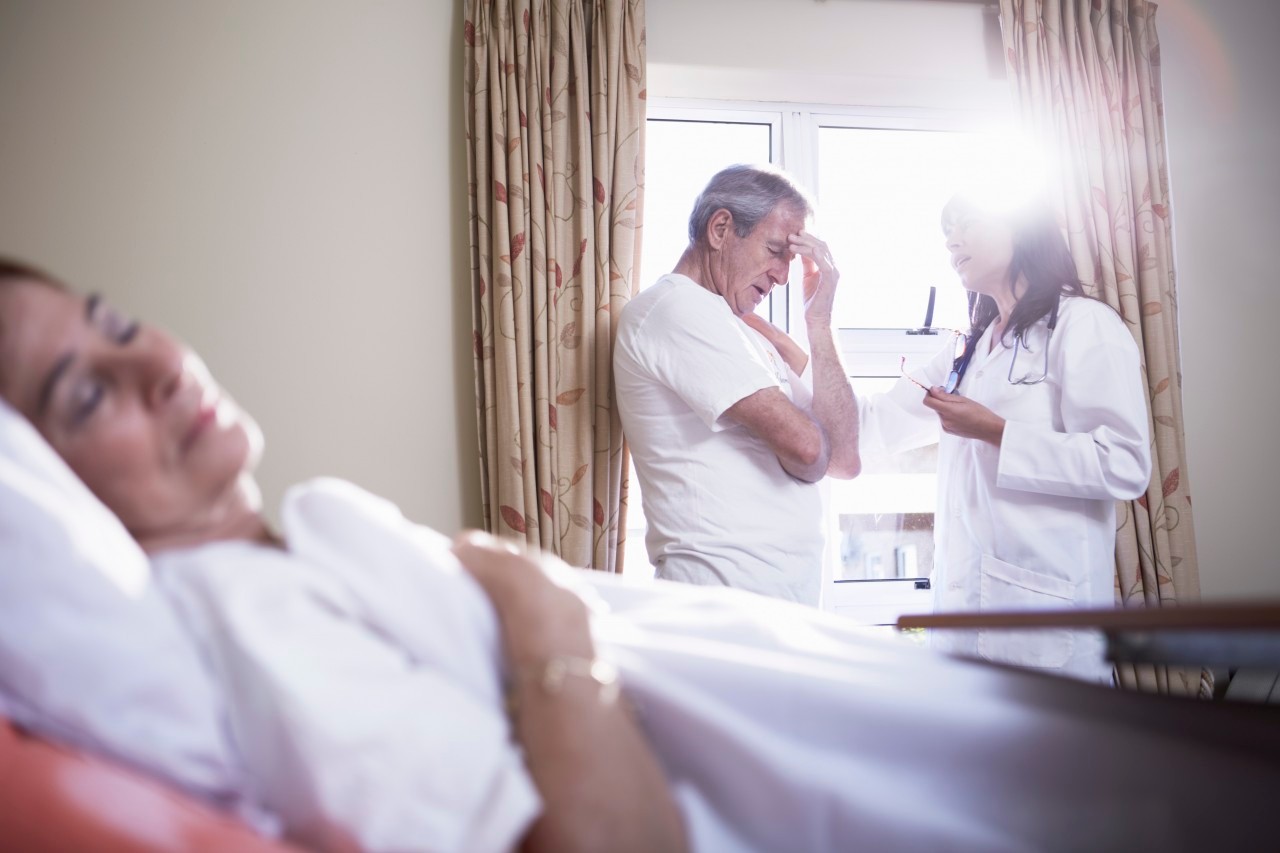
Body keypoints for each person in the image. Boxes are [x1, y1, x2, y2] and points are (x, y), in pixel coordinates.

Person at [3, 258, 1275, 853]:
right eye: (80, 393)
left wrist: (816, 329)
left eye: (119, 321)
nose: (159, 358)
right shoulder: (244, 611)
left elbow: (841, 439)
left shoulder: (301, 544)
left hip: (833, 652)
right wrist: (541, 610)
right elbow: (820, 453)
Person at [855, 192, 1150, 682]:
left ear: (1023, 228)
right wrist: (811, 336)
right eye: (947, 231)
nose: (952, 240)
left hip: (1046, 632)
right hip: (962, 622)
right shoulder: (965, 350)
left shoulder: (1082, 325)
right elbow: (875, 425)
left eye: (967, 223)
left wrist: (994, 431)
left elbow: (1123, 463)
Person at [614, 164, 859, 605]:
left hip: (774, 601)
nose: (784, 276)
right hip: (723, 600)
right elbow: (807, 450)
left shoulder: (741, 329)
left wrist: (818, 322)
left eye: (791, 259)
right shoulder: (676, 307)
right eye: (774, 250)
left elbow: (842, 458)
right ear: (721, 228)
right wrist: (804, 438)